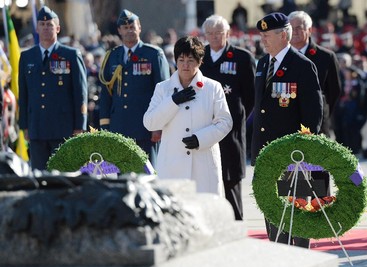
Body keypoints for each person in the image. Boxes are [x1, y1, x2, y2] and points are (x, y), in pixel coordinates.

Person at [251, 12, 323, 248]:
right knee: (272, 209)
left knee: (298, 209)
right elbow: (261, 109)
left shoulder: (302, 66)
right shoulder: (263, 63)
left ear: (283, 35)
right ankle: (279, 255)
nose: (263, 39)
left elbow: (313, 115)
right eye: (261, 34)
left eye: (267, 35)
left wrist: (303, 151)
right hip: (266, 152)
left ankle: (300, 257)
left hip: (294, 154)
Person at [143, 36, 233, 196]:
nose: (185, 65)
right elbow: (150, 123)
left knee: (205, 215)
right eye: (181, 59)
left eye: (190, 60)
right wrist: (172, 102)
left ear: (199, 61)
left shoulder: (212, 88)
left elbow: (225, 122)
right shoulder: (163, 88)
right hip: (172, 167)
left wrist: (201, 138)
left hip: (203, 165)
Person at [18, 6, 88, 170]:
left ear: (57, 28)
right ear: (37, 28)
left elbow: (80, 92)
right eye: (42, 24)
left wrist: (80, 125)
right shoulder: (27, 56)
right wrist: (24, 125)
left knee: (63, 176)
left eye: (49, 24)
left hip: (63, 127)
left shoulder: (71, 55)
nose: (45, 28)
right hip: (36, 127)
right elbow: (24, 93)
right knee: (39, 175)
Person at [200, 14, 255, 220]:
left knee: (231, 181)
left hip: (230, 130)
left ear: (227, 34)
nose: (214, 38)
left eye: (219, 33)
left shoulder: (242, 58)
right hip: (204, 129)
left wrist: (238, 116)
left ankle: (237, 224)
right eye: (210, 34)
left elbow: (251, 97)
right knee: (206, 183)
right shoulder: (199, 57)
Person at [99, 9, 170, 167]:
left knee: (146, 174)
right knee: (121, 176)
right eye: (125, 28)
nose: (129, 30)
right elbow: (106, 95)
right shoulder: (112, 56)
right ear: (119, 31)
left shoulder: (153, 55)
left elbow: (163, 92)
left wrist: (158, 126)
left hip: (145, 128)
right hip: (118, 127)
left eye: (132, 26)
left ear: (139, 27)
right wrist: (105, 126)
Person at [288, 11, 341, 137]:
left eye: (298, 28)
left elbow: (334, 91)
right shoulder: (280, 56)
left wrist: (322, 109)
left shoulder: (326, 57)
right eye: (291, 28)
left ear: (309, 30)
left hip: (317, 122)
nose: (294, 32)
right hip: (288, 119)